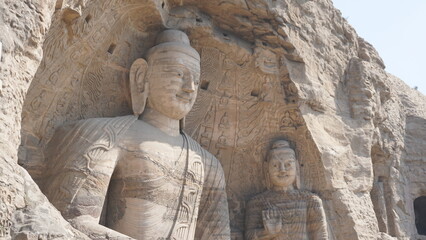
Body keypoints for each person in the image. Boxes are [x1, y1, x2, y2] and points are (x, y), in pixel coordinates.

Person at [42, 29, 230, 240]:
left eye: (195, 79)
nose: (190, 88)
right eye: (178, 74)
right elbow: (71, 222)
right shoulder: (107, 136)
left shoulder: (208, 165)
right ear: (141, 77)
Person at [245, 140, 329, 240]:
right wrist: (267, 233)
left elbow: (321, 237)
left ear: (297, 167)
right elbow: (248, 237)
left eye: (288, 164)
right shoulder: (256, 203)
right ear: (266, 169)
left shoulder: (311, 201)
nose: (282, 170)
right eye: (275, 165)